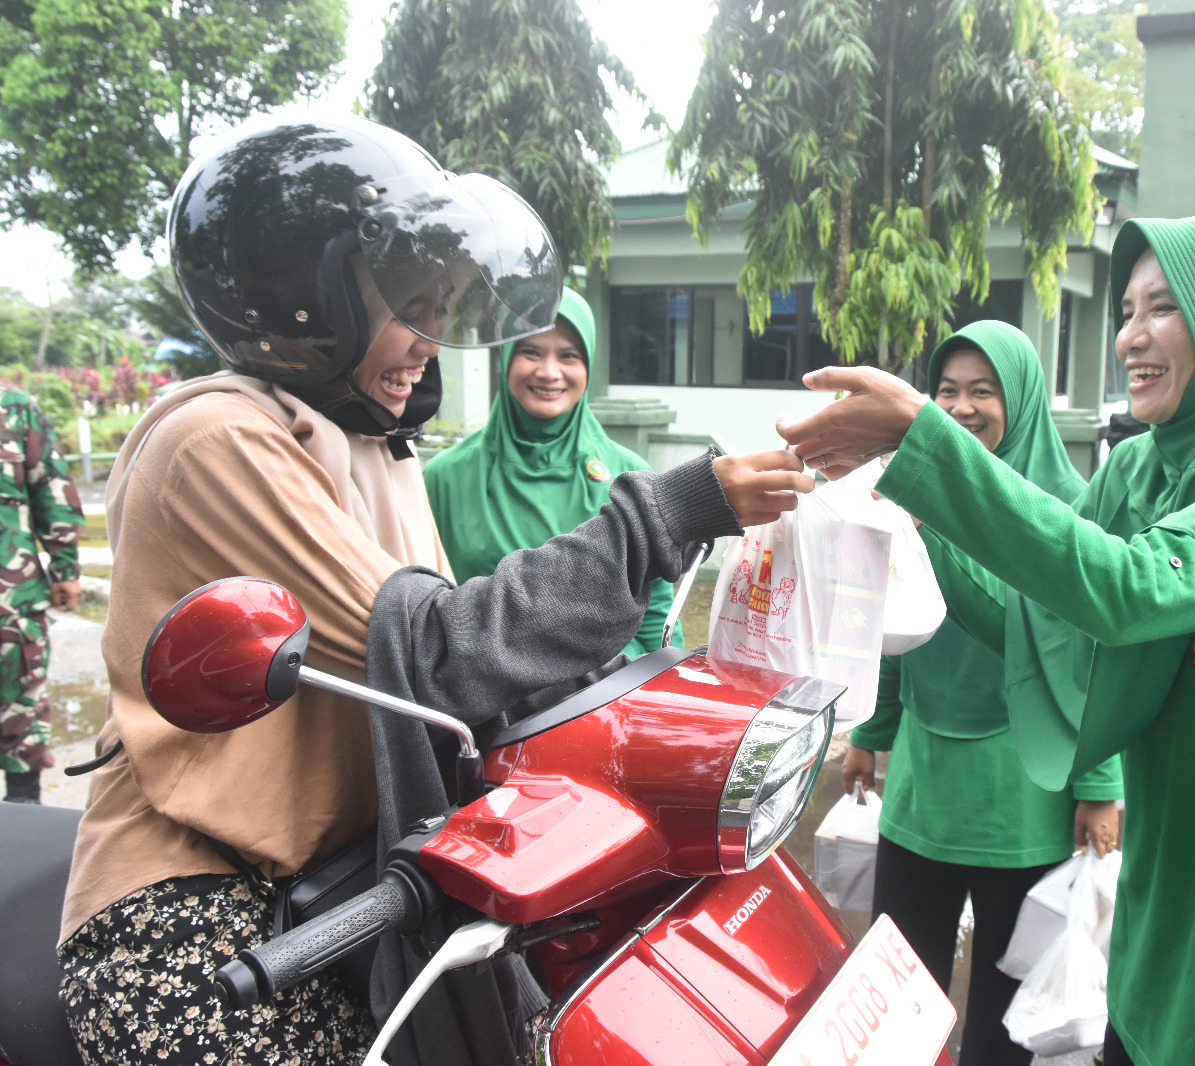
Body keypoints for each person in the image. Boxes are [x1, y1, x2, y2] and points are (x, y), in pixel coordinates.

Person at [54, 116, 809, 1066]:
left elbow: (481, 670)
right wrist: (675, 507)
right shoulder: (217, 440)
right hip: (201, 902)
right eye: (415, 302)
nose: (435, 340)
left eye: (446, 306)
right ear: (304, 298)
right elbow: (442, 653)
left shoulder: (378, 442)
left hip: (361, 879)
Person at [778, 212, 1195, 1066]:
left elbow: (1125, 592)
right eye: (1127, 310)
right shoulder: (1144, 466)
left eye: (1164, 308)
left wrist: (926, 440)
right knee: (1132, 1043)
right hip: (1172, 833)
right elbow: (1032, 616)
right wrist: (916, 505)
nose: (1131, 335)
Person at [840, 321, 1120, 1066]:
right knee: (900, 981)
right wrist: (872, 733)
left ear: (1020, 399)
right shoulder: (921, 491)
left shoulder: (1072, 506)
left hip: (1024, 786)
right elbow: (901, 622)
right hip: (926, 784)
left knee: (1001, 1014)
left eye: (982, 391)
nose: (961, 408)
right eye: (947, 392)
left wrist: (1099, 784)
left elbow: (1090, 661)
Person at [424, 287, 679, 657]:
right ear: (506, 357)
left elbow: (658, 618)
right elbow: (424, 612)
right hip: (484, 700)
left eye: (569, 356)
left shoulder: (629, 475)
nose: (549, 372)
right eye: (530, 351)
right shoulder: (446, 477)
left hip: (605, 697)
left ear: (588, 364)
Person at [0, 388, 83, 804]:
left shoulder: (14, 407)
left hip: (9, 599)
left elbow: (48, 483)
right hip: (13, 597)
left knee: (20, 705)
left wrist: (65, 566)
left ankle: (22, 814)